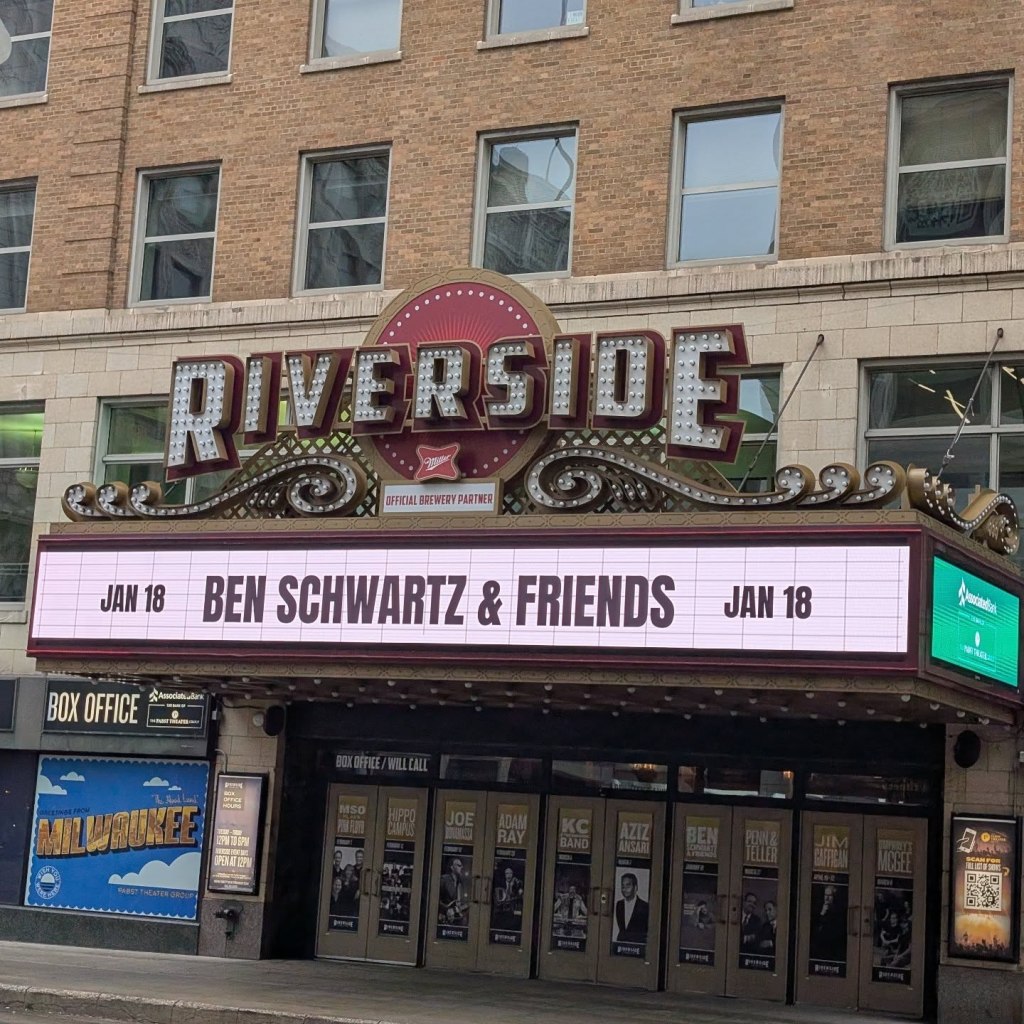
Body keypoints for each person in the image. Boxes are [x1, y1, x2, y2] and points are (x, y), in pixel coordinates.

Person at [614, 872, 649, 943]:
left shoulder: (644, 906)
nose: (624, 889)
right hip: (621, 944)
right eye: (623, 886)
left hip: (637, 945)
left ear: (635, 888)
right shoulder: (619, 904)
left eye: (628, 886)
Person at [439, 857, 469, 925]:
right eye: (459, 865)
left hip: (458, 919)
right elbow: (435, 898)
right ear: (452, 867)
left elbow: (466, 902)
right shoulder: (444, 879)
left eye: (462, 865)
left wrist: (457, 910)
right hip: (445, 917)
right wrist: (446, 910)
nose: (462, 867)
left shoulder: (461, 882)